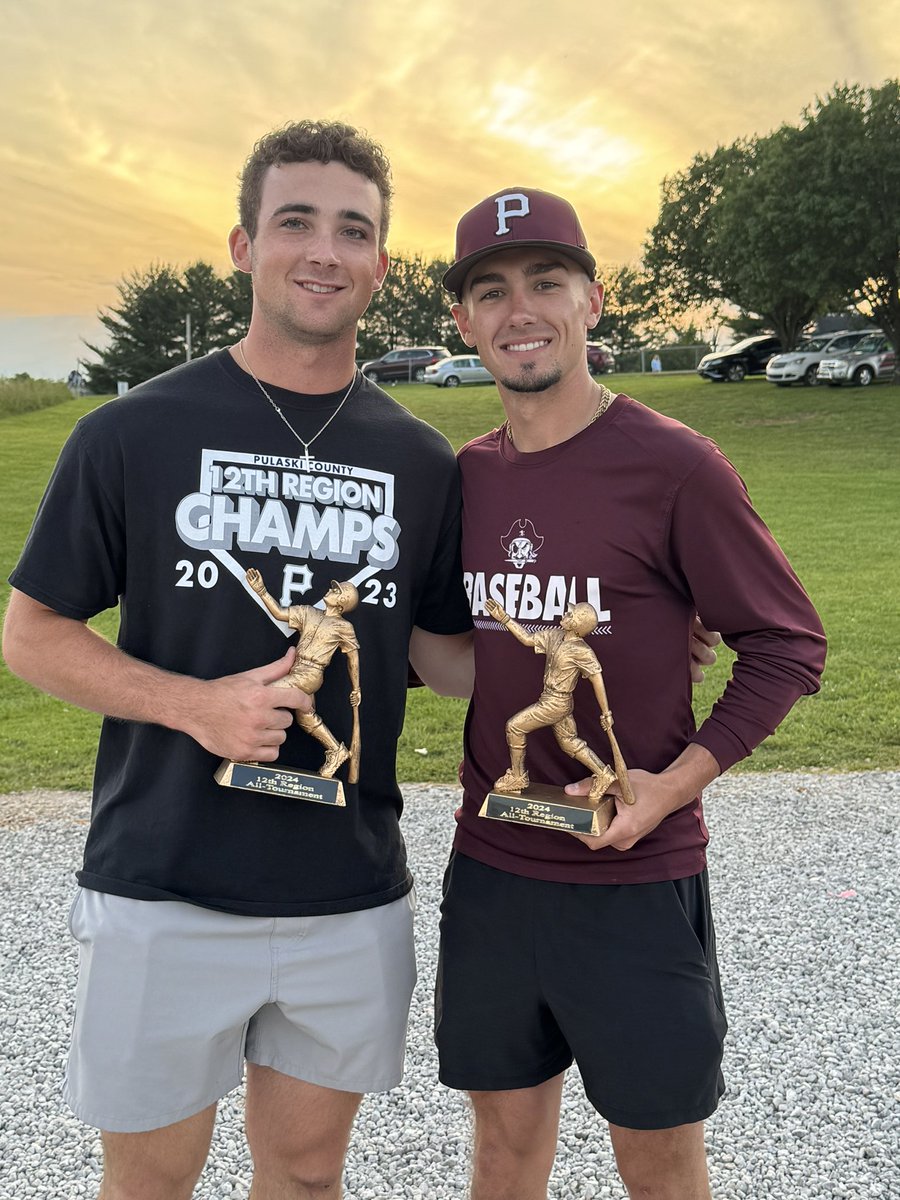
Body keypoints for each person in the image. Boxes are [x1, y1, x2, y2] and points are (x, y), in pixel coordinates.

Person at [2, 120, 474, 1200]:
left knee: (307, 1177)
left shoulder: (418, 457)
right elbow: (32, 634)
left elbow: (445, 655)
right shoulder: (137, 431)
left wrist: (627, 654)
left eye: (352, 230)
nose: (323, 249)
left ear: (381, 266)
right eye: (294, 221)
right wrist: (195, 706)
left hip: (346, 892)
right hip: (168, 883)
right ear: (242, 245)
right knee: (152, 1181)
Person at [435, 188, 827, 1200]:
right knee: (503, 1149)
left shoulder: (675, 465)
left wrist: (670, 785)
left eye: (546, 282)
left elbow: (786, 644)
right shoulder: (466, 478)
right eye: (492, 290)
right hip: (493, 869)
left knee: (655, 1160)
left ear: (593, 301)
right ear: (463, 321)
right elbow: (441, 648)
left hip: (631, 875)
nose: (520, 309)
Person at [245, 569, 361, 779]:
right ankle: (336, 750)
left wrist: (357, 689)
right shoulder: (309, 612)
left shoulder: (344, 627)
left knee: (266, 696)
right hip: (297, 668)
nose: (330, 590)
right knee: (306, 718)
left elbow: (353, 659)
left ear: (342, 602)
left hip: (311, 674)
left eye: (336, 591)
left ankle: (251, 751)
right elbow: (280, 613)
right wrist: (261, 591)